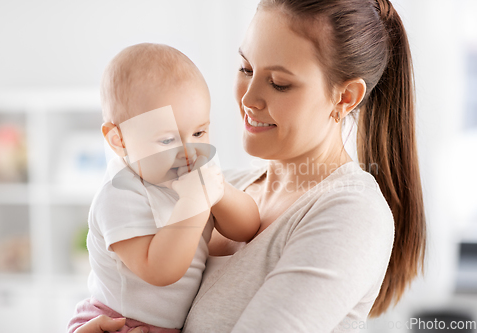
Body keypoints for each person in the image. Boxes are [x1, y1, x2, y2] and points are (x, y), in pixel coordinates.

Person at [76, 0, 426, 331]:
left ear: (344, 97)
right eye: (245, 68)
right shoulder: (221, 182)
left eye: (279, 83)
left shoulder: (350, 214)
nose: (247, 99)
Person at [67, 43, 261, 333]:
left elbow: (248, 227)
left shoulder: (193, 174)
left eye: (198, 132)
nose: (189, 150)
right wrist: (194, 205)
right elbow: (160, 271)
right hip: (117, 322)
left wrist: (218, 192)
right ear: (119, 140)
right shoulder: (119, 194)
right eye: (167, 140)